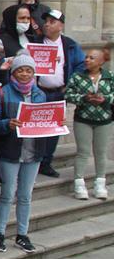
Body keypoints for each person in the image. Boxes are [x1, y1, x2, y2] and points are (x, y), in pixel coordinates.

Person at [0, 54, 47, 253]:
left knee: (25, 195)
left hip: (32, 152)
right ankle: (0, 233)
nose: (24, 74)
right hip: (10, 151)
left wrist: (57, 124)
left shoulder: (40, 95)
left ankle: (22, 234)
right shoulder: (3, 93)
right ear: (13, 72)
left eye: (28, 70)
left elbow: (45, 122)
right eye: (20, 70)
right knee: (7, 194)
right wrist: (7, 124)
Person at [35, 9, 84, 178]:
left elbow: (80, 66)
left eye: (52, 21)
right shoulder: (36, 43)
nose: (47, 24)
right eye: (46, 21)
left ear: (61, 25)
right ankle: (33, 160)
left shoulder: (70, 45)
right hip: (39, 92)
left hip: (59, 93)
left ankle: (46, 162)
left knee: (54, 129)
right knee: (36, 127)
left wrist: (69, 85)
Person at [65, 47, 114, 201]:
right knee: (83, 152)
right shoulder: (77, 76)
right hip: (83, 119)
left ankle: (100, 183)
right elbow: (68, 94)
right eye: (86, 57)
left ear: (101, 61)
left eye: (92, 58)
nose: (87, 60)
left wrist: (105, 99)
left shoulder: (109, 76)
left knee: (100, 152)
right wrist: (84, 98)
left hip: (104, 120)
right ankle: (79, 183)